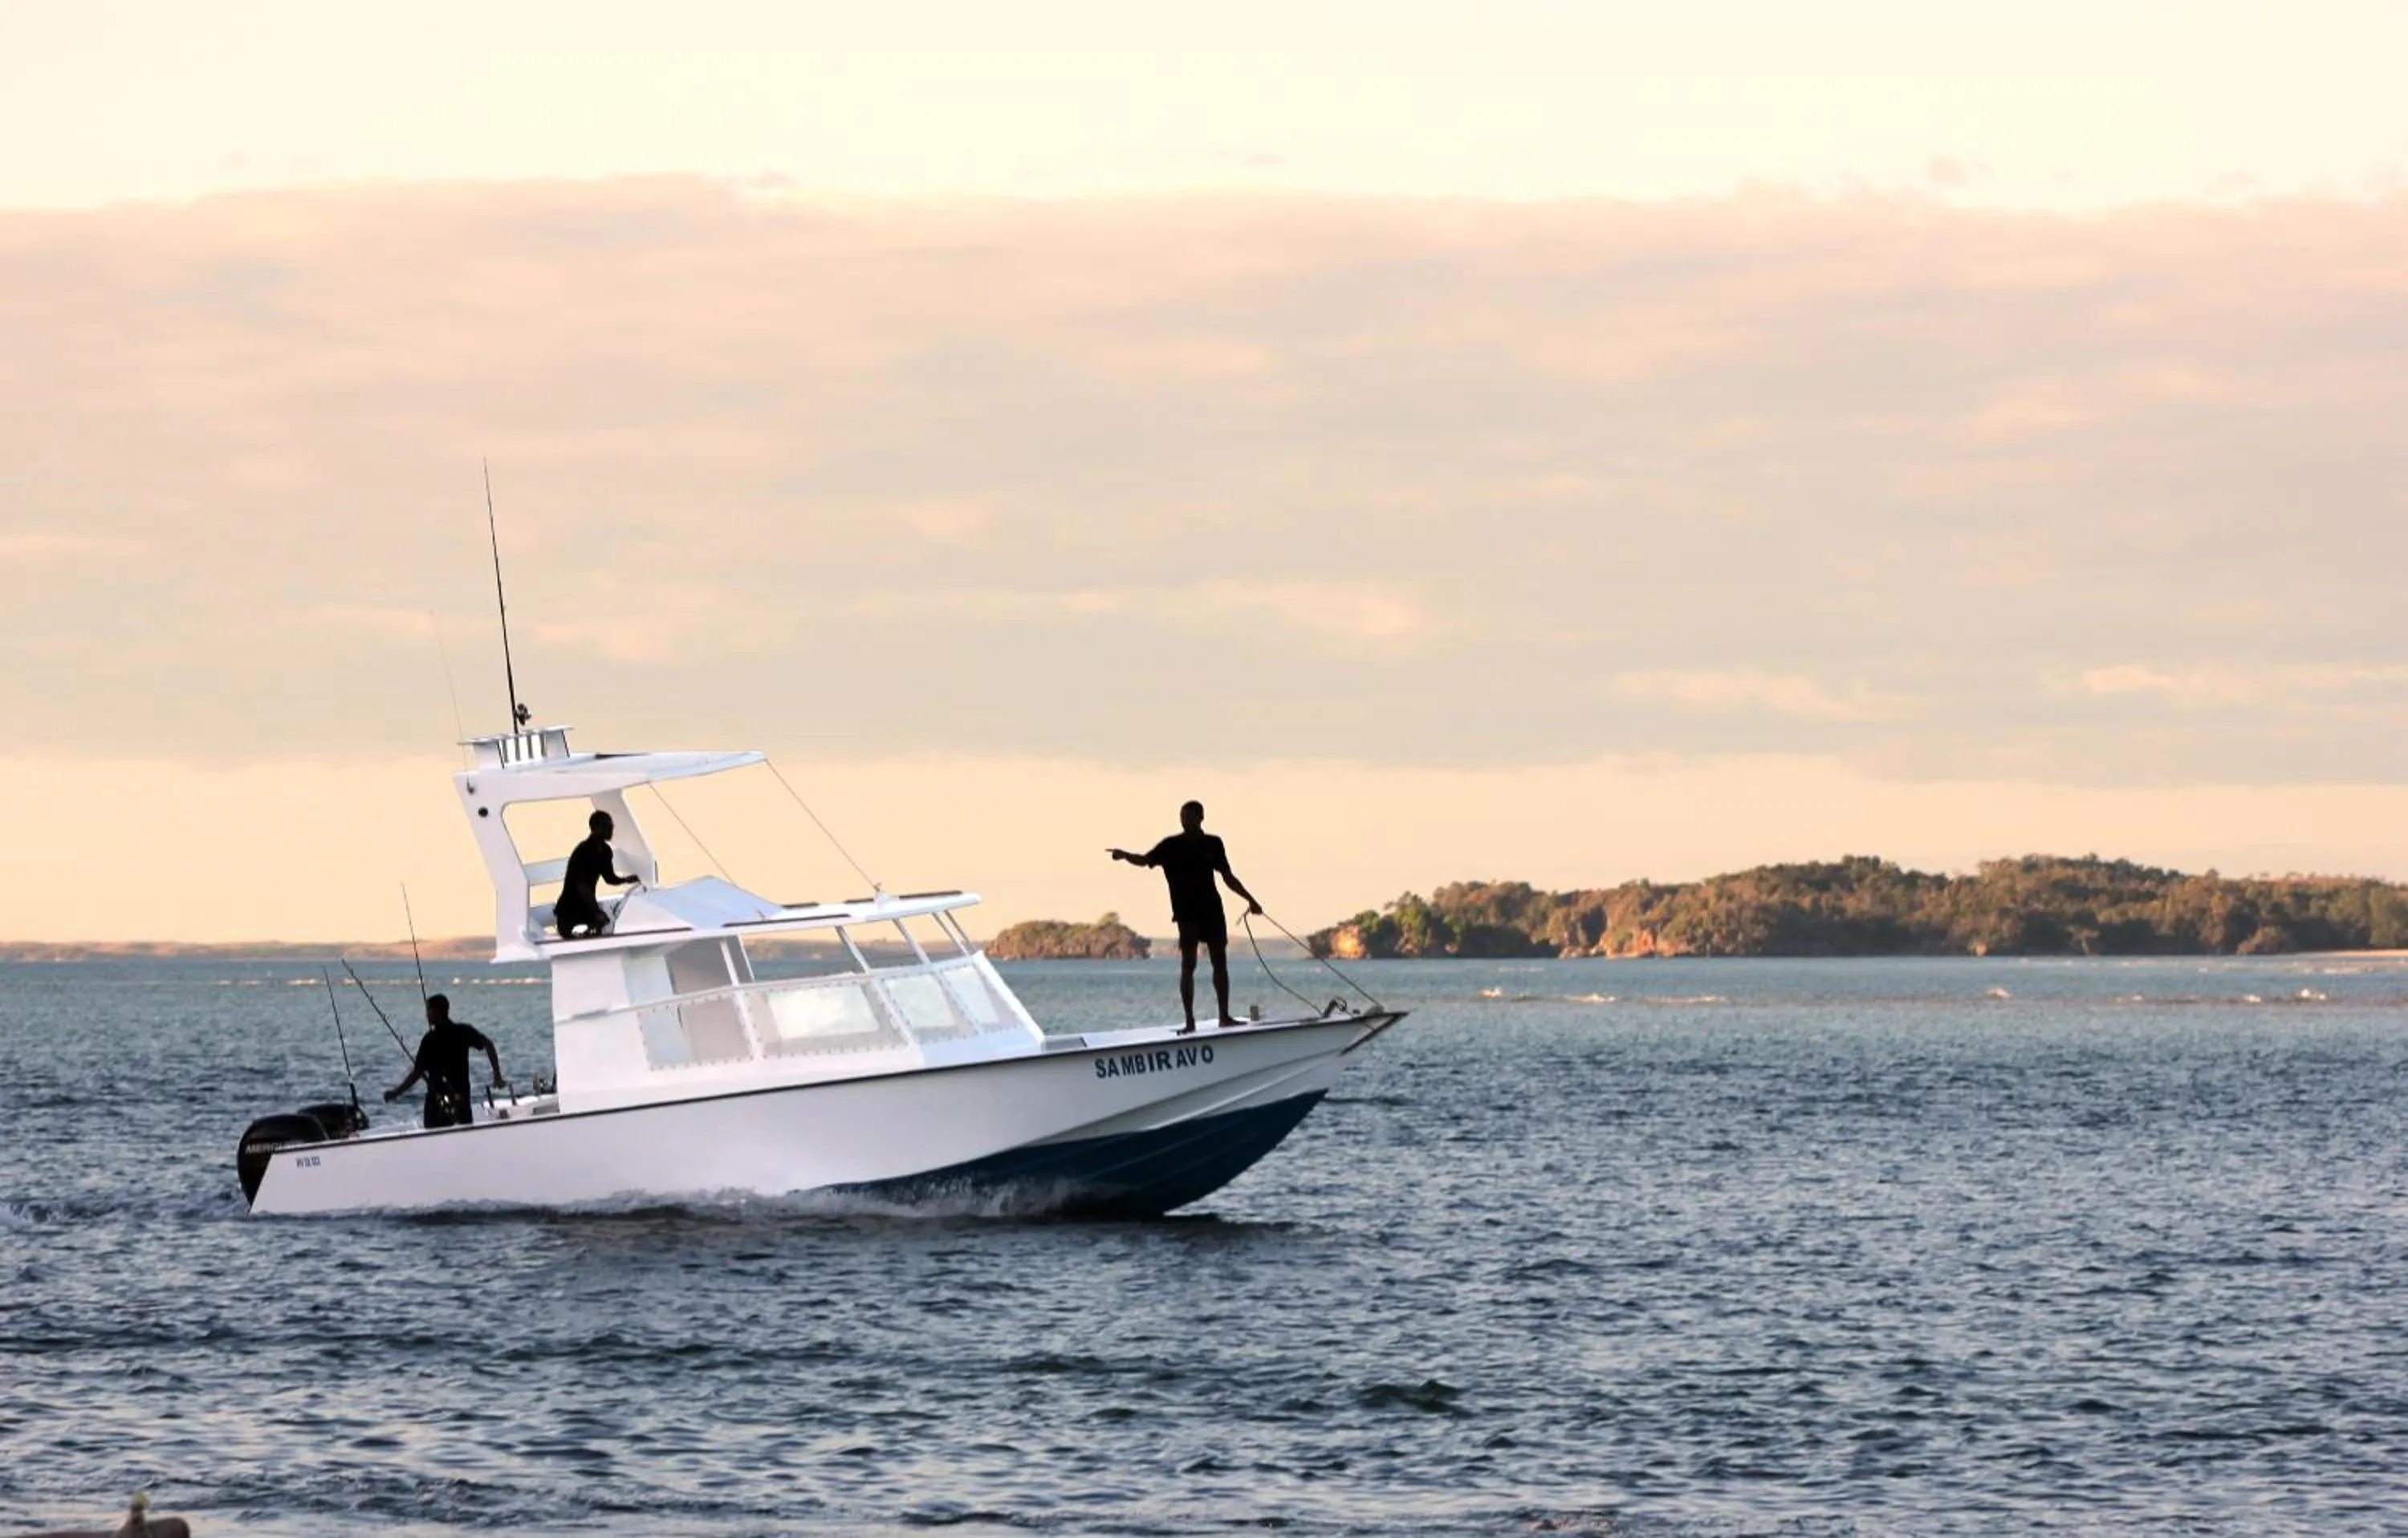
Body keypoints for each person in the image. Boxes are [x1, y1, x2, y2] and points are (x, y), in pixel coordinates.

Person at [1109, 800, 1263, 1032]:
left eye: (1190, 817)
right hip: (1187, 913)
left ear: (1201, 818)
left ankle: (1224, 1016)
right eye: (1183, 817)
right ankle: (1190, 1022)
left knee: (1219, 963)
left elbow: (1228, 877)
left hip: (1212, 909)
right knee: (1188, 965)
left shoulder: (1213, 843)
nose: (1185, 821)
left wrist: (1251, 900)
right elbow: (1144, 860)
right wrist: (1125, 855)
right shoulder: (1171, 845)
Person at [384, 994, 506, 1129]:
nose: (427, 1015)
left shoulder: (429, 1039)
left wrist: (396, 1093)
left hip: (436, 1106)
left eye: (429, 1011)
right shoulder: (463, 1031)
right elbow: (488, 1044)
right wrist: (497, 1075)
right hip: (462, 1100)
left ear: (438, 1012)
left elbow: (417, 1073)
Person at [556, 809, 640, 938]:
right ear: (596, 828)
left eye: (611, 826)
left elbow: (609, 878)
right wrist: (596, 912)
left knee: (601, 927)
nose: (611, 830)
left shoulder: (606, 851)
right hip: (569, 912)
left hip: (586, 909)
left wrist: (626, 880)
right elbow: (582, 887)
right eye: (608, 826)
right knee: (594, 931)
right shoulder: (582, 851)